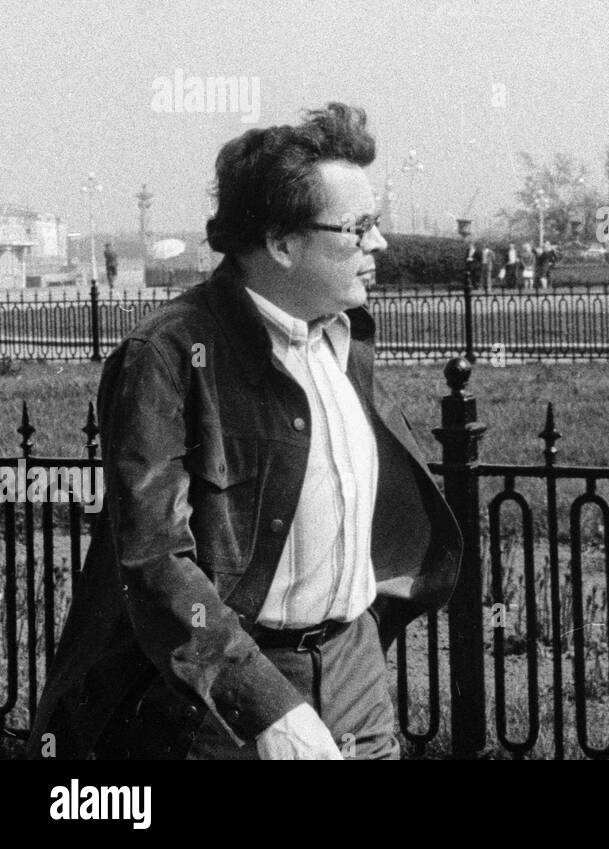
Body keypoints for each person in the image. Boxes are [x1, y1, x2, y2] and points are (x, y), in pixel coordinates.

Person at [27, 102, 462, 760]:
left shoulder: (342, 335)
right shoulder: (170, 353)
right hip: (220, 706)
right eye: (359, 228)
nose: (380, 245)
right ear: (282, 243)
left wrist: (358, 640)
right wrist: (265, 704)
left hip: (354, 678)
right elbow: (153, 561)